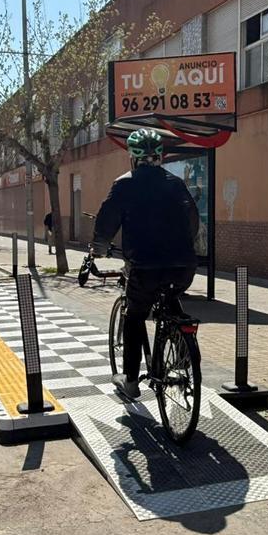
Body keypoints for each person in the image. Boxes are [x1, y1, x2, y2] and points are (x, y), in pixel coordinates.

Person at [92, 128, 200, 400]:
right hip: (183, 266)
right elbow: (192, 222)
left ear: (133, 158)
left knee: (135, 316)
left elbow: (107, 221)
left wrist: (100, 247)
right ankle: (182, 347)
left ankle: (129, 380)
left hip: (144, 266)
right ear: (160, 157)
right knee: (171, 295)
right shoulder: (175, 183)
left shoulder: (124, 184)